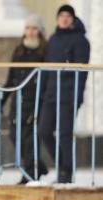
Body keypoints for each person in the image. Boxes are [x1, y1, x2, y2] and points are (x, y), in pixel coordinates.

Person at [39, 4, 90, 183]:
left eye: (68, 16)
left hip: (69, 95)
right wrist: (43, 92)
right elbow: (46, 68)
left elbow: (81, 70)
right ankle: (63, 166)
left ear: (73, 19)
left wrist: (78, 95)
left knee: (65, 134)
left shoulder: (80, 40)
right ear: (57, 18)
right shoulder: (53, 39)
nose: (64, 18)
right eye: (61, 15)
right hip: (51, 94)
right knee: (44, 131)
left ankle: (66, 174)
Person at [2, 14, 48, 184]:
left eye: (34, 28)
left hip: (35, 100)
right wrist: (3, 99)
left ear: (40, 31)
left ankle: (30, 173)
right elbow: (11, 77)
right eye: (28, 28)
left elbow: (47, 78)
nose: (30, 32)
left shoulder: (44, 50)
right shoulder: (19, 50)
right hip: (18, 100)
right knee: (15, 135)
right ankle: (37, 166)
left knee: (29, 138)